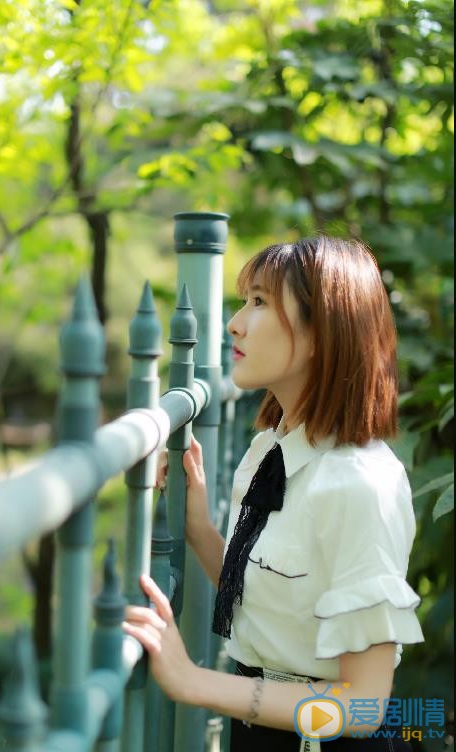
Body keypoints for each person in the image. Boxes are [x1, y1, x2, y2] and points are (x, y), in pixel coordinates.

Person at [122, 236, 425, 751]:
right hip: (258, 732)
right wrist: (198, 528)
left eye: (260, 303)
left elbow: (367, 705)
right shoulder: (269, 449)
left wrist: (196, 682)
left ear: (320, 332)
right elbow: (273, 603)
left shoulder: (360, 485)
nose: (236, 323)